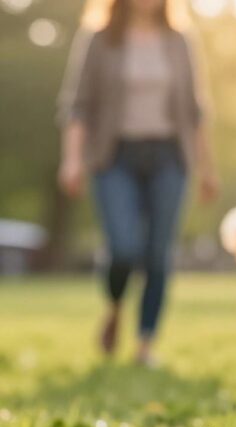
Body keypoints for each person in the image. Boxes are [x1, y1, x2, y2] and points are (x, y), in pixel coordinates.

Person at [57, 0, 218, 365]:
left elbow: (196, 111)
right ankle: (115, 306)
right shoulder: (99, 40)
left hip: (169, 157)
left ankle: (144, 341)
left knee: (158, 253)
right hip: (114, 157)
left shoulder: (179, 40)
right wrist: (71, 161)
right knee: (124, 247)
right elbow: (77, 105)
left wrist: (208, 169)